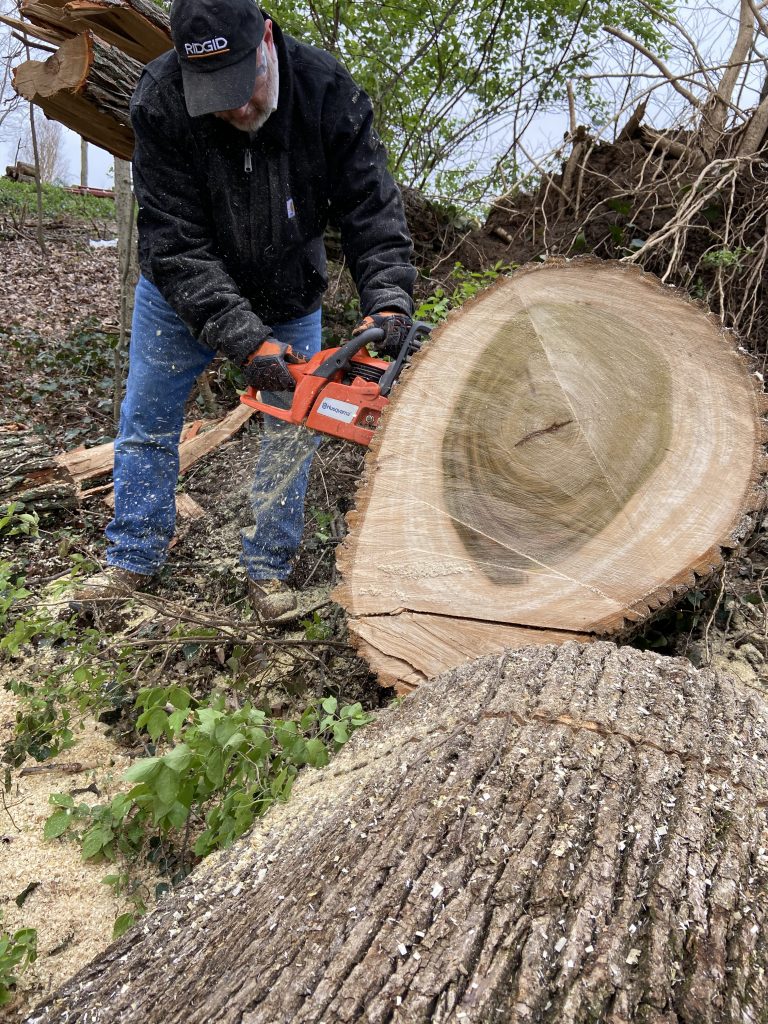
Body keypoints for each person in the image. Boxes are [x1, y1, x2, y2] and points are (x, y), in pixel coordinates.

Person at [74, 0, 416, 621]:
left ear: (264, 39)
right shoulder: (160, 98)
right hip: (181, 294)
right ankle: (133, 557)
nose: (234, 106)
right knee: (149, 421)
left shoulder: (326, 91)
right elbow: (174, 243)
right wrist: (245, 341)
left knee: (291, 430)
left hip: (288, 290)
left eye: (241, 82)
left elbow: (372, 209)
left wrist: (387, 300)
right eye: (215, 91)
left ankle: (269, 572)